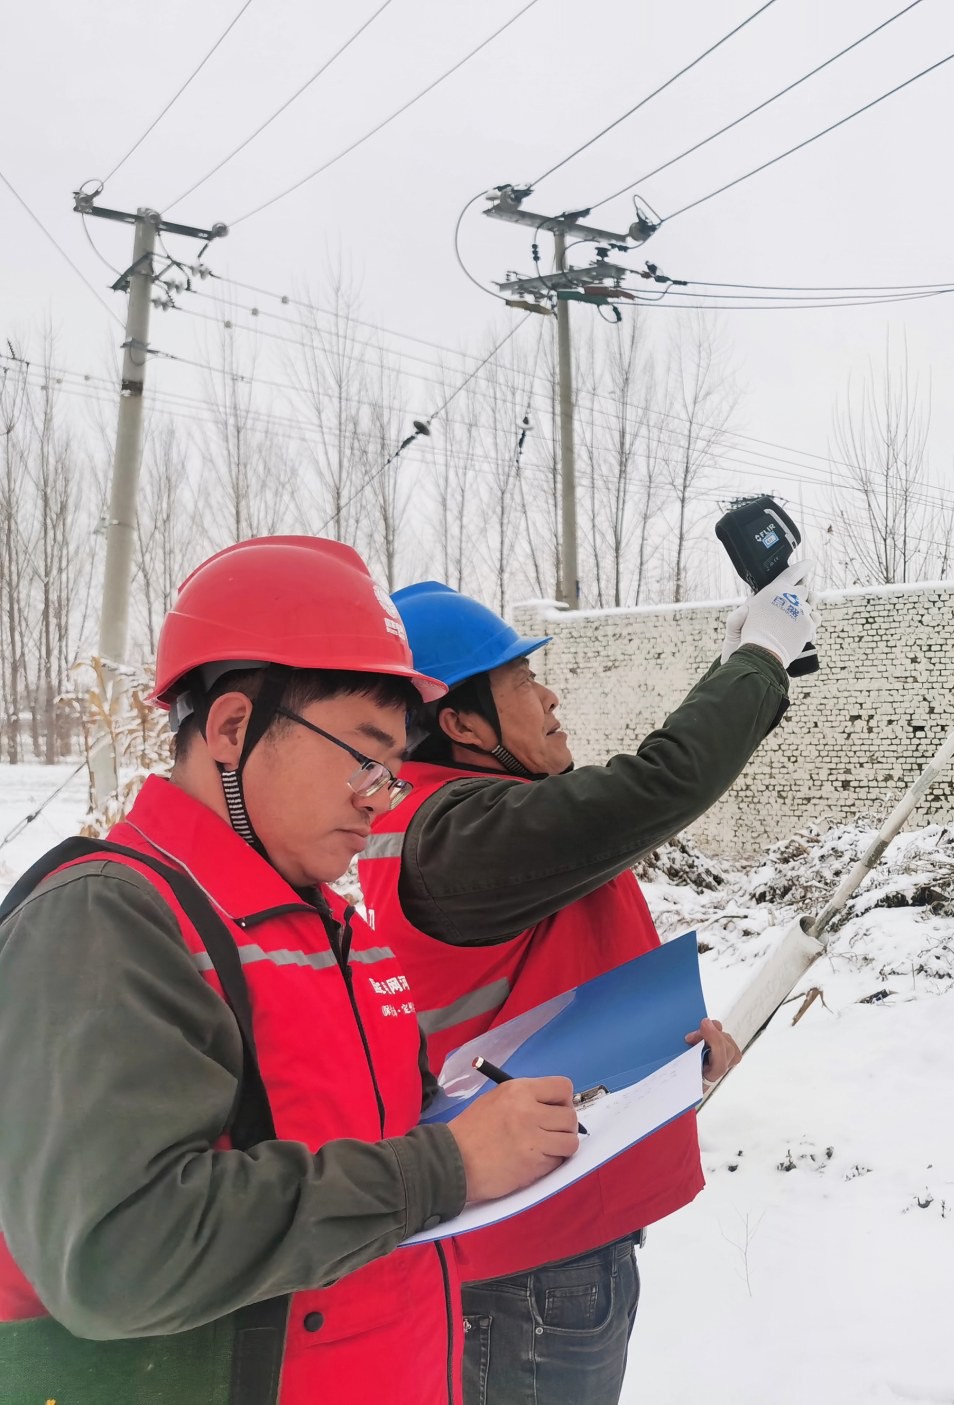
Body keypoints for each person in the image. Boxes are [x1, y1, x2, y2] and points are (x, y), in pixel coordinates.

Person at [0, 537, 580, 1405]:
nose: (378, 795)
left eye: (390, 768)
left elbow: (387, 1123)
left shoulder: (336, 922)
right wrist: (446, 1167)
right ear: (234, 727)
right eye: (362, 754)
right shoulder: (107, 919)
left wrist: (617, 1070)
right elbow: (119, 1254)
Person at [357, 562, 814, 1405]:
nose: (550, 695)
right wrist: (759, 659)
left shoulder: (479, 818)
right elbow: (655, 787)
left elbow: (545, 986)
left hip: (560, 1236)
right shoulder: (458, 832)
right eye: (523, 678)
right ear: (458, 720)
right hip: (530, 1263)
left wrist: (661, 1058)